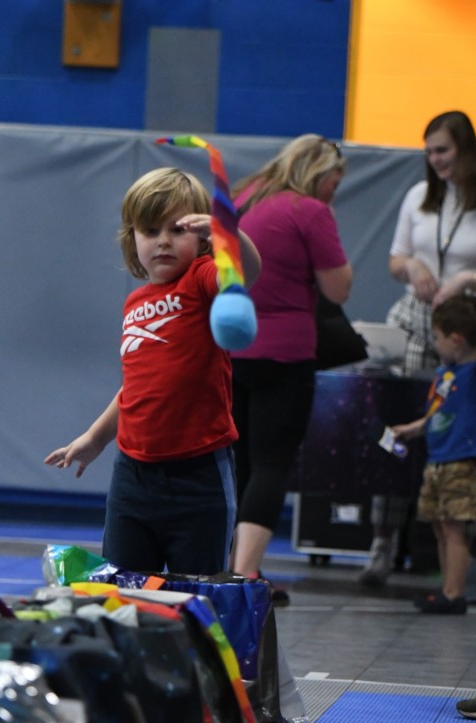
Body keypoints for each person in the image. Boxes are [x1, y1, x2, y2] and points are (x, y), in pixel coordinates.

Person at [45, 167, 261, 575]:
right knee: (123, 589)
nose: (163, 240)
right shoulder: (136, 304)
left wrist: (226, 235)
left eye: (177, 229)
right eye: (150, 230)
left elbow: (247, 273)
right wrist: (95, 438)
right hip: (132, 478)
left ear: (199, 239)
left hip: (199, 478)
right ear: (133, 240)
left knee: (196, 593)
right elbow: (135, 386)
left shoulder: (201, 280)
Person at [227, 135, 353, 602]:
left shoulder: (244, 197)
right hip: (286, 354)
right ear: (319, 174)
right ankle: (247, 573)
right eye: (333, 185)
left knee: (237, 461)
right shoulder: (310, 211)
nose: (332, 195)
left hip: (235, 346)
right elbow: (338, 290)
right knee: (272, 462)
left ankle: (226, 567)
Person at [360, 110, 476, 586]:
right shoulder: (417, 198)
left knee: (464, 430)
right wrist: (412, 268)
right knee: (403, 418)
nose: (434, 160)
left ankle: (456, 551)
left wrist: (467, 278)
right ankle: (383, 539)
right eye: (428, 152)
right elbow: (394, 260)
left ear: (465, 149)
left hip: (466, 327)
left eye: (442, 150)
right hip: (416, 318)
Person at [389, 294, 476, 614]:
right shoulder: (445, 374)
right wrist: (413, 429)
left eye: (437, 339)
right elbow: (437, 413)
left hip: (461, 461)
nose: (435, 345)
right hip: (437, 458)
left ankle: (454, 593)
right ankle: (446, 589)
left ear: (456, 340)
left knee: (455, 527)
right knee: (440, 525)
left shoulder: (471, 373)